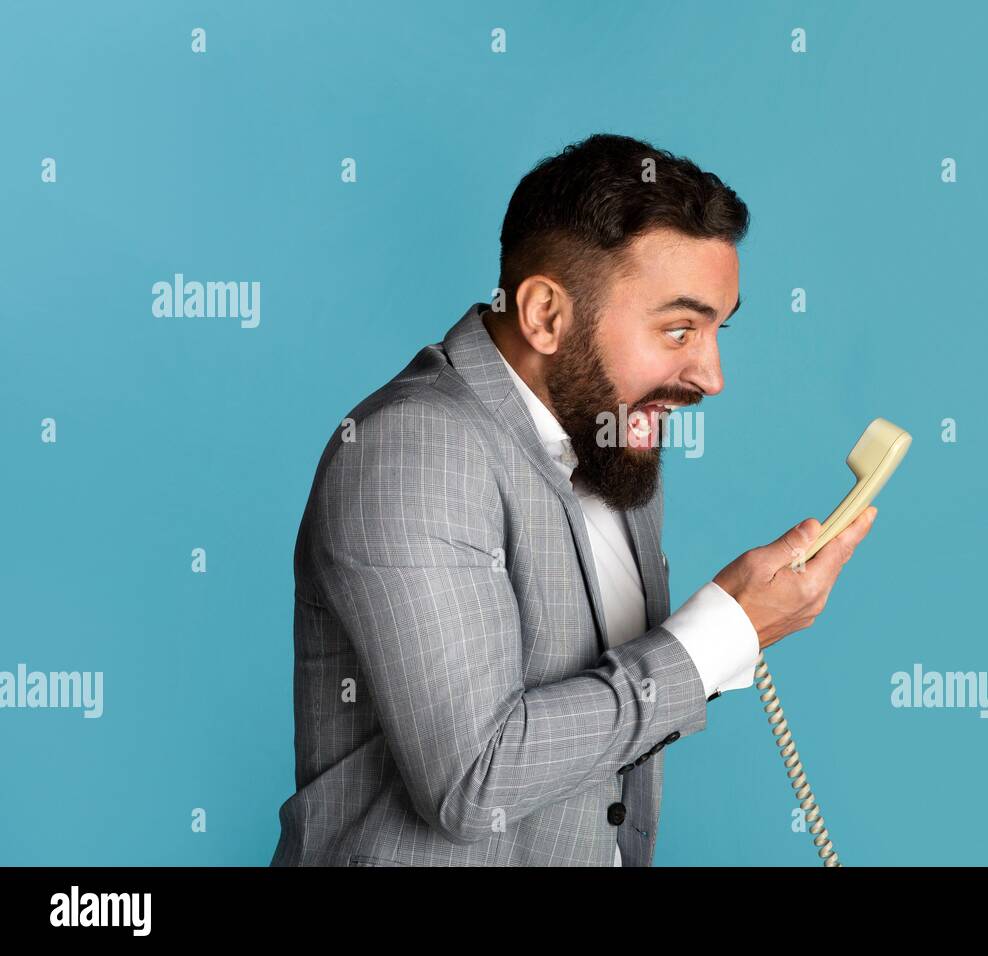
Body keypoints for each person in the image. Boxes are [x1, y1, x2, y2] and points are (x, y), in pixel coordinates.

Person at [270, 133, 877, 867]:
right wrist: (726, 631)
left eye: (718, 328)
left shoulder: (609, 438)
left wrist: (738, 631)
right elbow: (474, 782)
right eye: (680, 328)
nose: (712, 375)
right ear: (546, 316)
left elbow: (608, 720)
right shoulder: (411, 450)